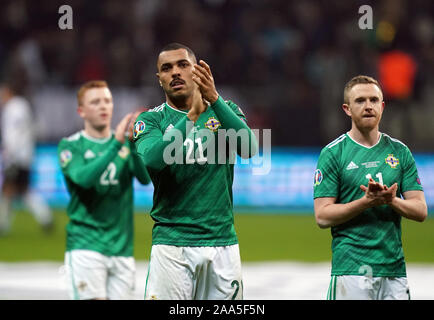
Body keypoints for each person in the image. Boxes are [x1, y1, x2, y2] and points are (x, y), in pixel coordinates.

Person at [133, 43, 258, 300]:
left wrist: (214, 99)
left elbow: (249, 148)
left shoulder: (226, 111)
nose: (175, 72)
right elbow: (154, 161)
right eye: (166, 69)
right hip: (172, 244)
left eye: (182, 65)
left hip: (222, 242)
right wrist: (191, 117)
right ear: (159, 79)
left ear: (197, 70)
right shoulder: (150, 120)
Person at [313, 75, 428, 300]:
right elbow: (323, 216)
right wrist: (365, 203)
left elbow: (421, 211)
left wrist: (391, 200)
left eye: (374, 100)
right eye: (360, 101)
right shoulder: (333, 153)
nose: (368, 106)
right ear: (347, 109)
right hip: (351, 270)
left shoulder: (399, 151)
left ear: (382, 106)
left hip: (394, 271)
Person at [57, 80, 150, 300]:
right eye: (96, 102)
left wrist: (134, 144)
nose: (103, 106)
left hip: (122, 249)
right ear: (81, 111)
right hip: (85, 246)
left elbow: (144, 179)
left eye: (107, 101)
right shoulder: (71, 146)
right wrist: (116, 145)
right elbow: (83, 179)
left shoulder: (125, 145)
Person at [0, 78, 53, 236]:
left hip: (16, 155)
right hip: (25, 153)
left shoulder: (13, 108)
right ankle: (45, 217)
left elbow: (14, 133)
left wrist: (10, 153)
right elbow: (34, 128)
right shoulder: (23, 106)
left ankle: (4, 224)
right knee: (21, 190)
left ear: (8, 92)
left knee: (9, 190)